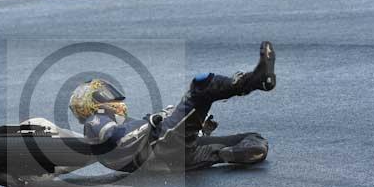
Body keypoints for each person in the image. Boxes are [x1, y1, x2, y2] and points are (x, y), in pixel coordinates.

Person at [68, 41, 276, 172]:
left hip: (176, 158)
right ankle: (256, 80)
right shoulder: (96, 121)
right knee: (201, 86)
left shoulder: (108, 135)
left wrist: (197, 126)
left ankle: (233, 153)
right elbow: (115, 139)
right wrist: (151, 122)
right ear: (90, 103)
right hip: (165, 144)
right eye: (106, 95)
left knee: (251, 137)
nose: (115, 100)